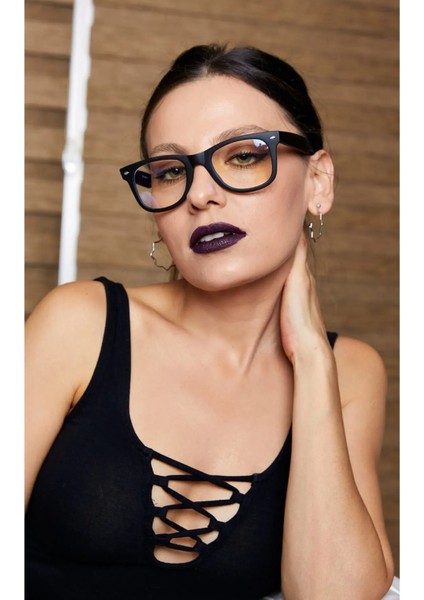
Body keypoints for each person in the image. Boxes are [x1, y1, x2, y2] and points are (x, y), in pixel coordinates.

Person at [25, 44, 395, 599]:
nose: (199, 195)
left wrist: (312, 359)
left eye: (243, 156)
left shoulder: (351, 371)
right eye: (171, 171)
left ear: (318, 181)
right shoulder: (80, 324)